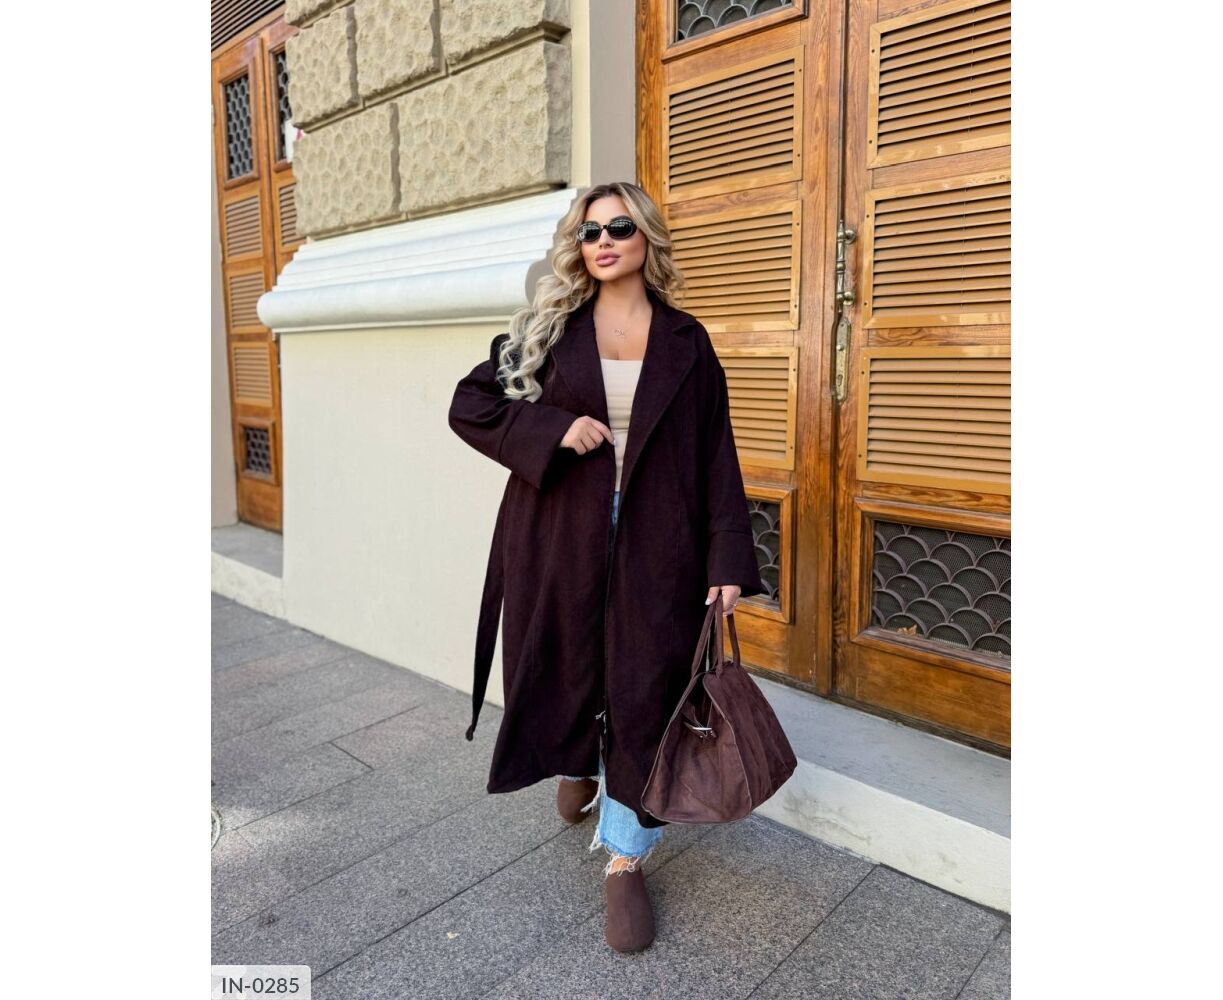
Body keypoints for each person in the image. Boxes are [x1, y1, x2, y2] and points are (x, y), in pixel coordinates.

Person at [448, 182, 764, 952]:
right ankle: (575, 760)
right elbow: (470, 405)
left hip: (661, 541)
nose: (603, 241)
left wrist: (726, 555)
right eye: (589, 231)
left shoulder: (686, 341)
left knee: (645, 684)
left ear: (645, 236)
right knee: (566, 663)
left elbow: (715, 455)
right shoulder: (548, 330)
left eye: (619, 227)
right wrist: (553, 429)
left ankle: (624, 855)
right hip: (559, 534)